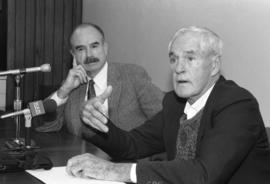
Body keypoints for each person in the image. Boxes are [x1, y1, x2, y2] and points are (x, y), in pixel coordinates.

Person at [66, 26, 270, 184]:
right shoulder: (174, 103)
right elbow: (132, 145)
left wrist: (116, 171)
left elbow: (203, 175)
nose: (179, 68)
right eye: (174, 59)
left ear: (214, 65)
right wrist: (98, 122)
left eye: (190, 58)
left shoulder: (238, 105)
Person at [36, 23, 164, 137]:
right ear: (73, 55)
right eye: (81, 49)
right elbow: (45, 126)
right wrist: (63, 91)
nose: (89, 55)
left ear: (105, 48)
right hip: (83, 159)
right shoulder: (72, 85)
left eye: (94, 46)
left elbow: (166, 119)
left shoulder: (132, 75)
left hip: (127, 159)